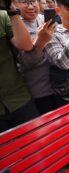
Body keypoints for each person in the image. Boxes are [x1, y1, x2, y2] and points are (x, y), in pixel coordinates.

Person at [16, 0, 64, 115]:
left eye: (33, 2)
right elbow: (26, 63)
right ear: (15, 4)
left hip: (60, 86)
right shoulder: (16, 27)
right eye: (25, 2)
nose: (31, 7)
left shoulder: (45, 19)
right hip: (38, 91)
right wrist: (40, 42)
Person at [0, 2, 39, 132]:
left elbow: (26, 45)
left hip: (18, 98)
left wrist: (11, 9)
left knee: (37, 141)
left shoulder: (3, 16)